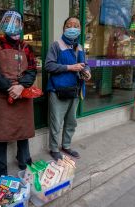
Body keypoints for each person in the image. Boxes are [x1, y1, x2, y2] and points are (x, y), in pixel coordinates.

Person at [0, 10, 37, 178]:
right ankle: (1, 171)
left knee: (24, 131)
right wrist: (9, 87)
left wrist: (21, 86)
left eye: (17, 22)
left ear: (21, 25)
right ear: (3, 23)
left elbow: (32, 69)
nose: (13, 25)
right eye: (9, 21)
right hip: (2, 95)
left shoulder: (26, 47)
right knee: (0, 134)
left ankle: (25, 162)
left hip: (23, 94)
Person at [45, 17, 91, 160]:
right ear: (64, 28)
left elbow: (85, 64)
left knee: (71, 122)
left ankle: (66, 145)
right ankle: (53, 148)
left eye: (76, 25)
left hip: (75, 90)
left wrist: (87, 72)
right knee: (56, 122)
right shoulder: (56, 45)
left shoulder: (80, 47)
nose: (73, 27)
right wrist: (70, 67)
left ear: (80, 29)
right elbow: (48, 66)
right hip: (58, 90)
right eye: (69, 25)